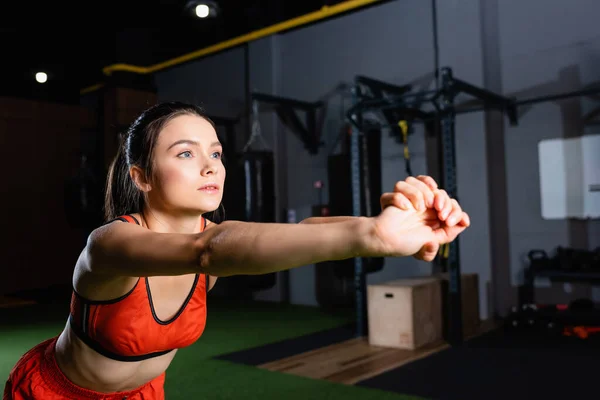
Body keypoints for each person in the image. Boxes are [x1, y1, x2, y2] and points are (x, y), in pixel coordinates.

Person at [3, 101, 470, 400]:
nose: (210, 166)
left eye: (217, 153)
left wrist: (386, 227)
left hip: (143, 393)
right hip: (56, 394)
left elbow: (302, 229)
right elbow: (207, 251)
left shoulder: (216, 240)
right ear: (142, 177)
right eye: (185, 153)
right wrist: (371, 238)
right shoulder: (111, 245)